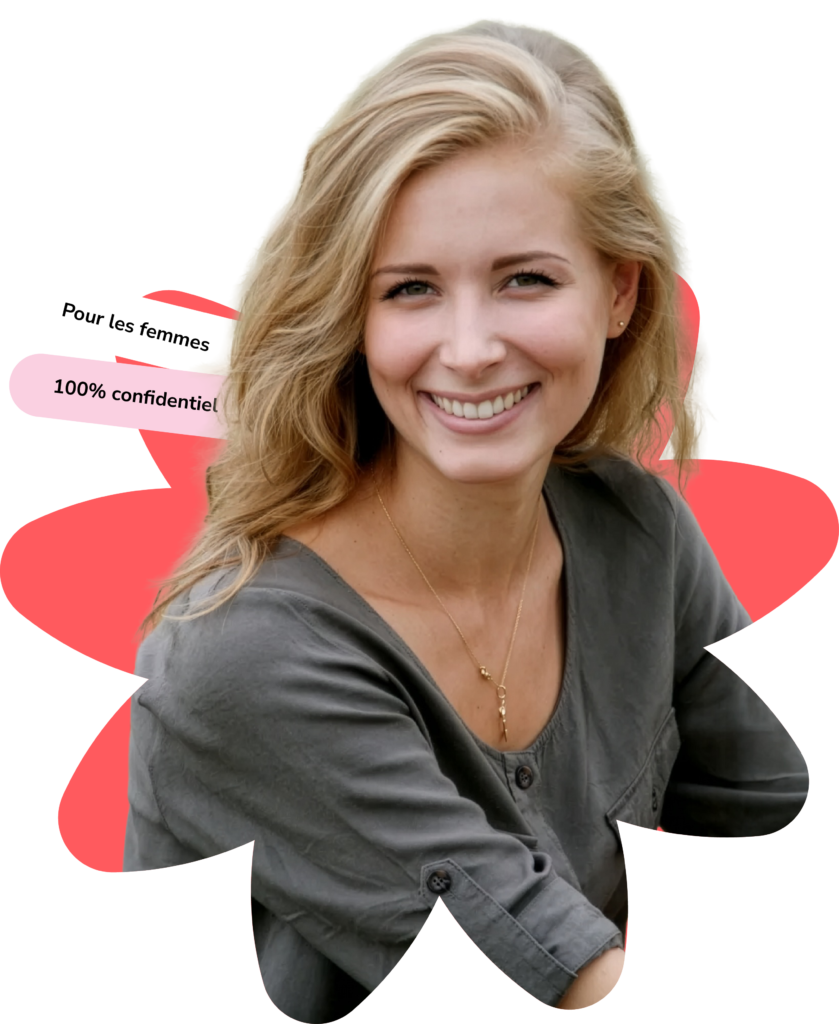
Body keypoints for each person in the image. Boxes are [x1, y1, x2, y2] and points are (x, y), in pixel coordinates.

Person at [123, 19, 809, 1018]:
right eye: (410, 290)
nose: (470, 348)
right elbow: (559, 973)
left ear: (618, 291)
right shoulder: (243, 657)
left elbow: (774, 800)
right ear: (351, 321)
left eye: (525, 279)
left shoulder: (634, 528)